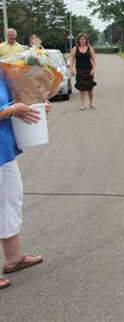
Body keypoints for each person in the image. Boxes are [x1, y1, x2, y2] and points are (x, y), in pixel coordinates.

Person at [0, 73, 51, 290]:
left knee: (11, 201)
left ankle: (14, 258)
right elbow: (9, 108)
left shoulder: (3, 71)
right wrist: (13, 110)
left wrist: (34, 107)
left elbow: (13, 100)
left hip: (5, 149)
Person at [69, 33, 98, 110]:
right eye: (81, 39)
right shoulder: (75, 49)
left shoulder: (90, 48)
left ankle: (91, 103)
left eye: (84, 39)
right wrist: (71, 69)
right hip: (79, 70)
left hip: (89, 70)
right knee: (81, 88)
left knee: (90, 88)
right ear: (78, 40)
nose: (82, 40)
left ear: (86, 40)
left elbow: (94, 60)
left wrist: (93, 69)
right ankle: (82, 104)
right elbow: (71, 60)